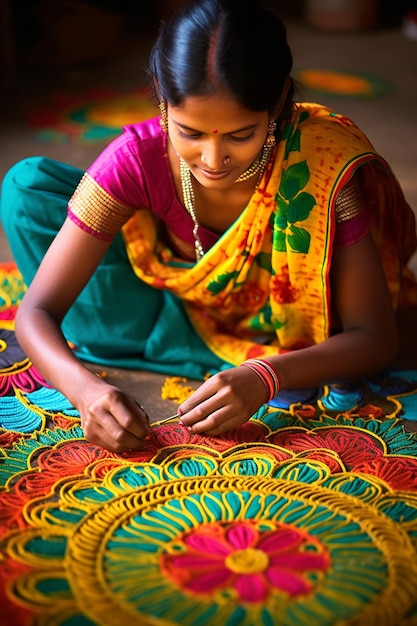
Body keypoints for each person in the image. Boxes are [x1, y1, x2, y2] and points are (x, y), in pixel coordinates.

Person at [1, 0, 416, 453]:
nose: (214, 161)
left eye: (241, 135)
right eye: (190, 133)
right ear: (162, 97)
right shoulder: (138, 160)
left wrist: (268, 375)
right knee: (28, 189)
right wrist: (85, 394)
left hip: (293, 336)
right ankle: (165, 341)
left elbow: (375, 337)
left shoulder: (321, 164)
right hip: (170, 306)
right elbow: (35, 312)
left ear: (277, 101)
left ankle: (164, 347)